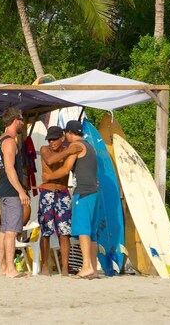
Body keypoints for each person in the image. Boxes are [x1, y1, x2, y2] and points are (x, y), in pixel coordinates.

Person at [0, 107, 29, 278]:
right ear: (16, 120)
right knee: (12, 231)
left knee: (4, 229)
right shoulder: (9, 142)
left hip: (2, 189)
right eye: (21, 120)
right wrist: (21, 191)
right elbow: (8, 168)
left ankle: (1, 269)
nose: (22, 123)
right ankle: (10, 269)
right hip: (11, 190)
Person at [38, 125, 78, 276]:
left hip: (63, 192)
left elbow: (68, 167)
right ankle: (44, 266)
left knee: (64, 231)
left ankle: (65, 268)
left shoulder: (68, 150)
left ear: (62, 138)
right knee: (46, 230)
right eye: (50, 139)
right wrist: (68, 151)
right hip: (46, 191)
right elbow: (50, 161)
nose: (51, 142)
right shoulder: (44, 149)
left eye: (55, 139)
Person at [64, 119, 100, 279]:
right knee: (91, 232)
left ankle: (86, 267)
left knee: (83, 230)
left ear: (69, 133)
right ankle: (93, 268)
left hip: (83, 191)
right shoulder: (90, 146)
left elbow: (65, 169)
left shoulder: (75, 146)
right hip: (93, 191)